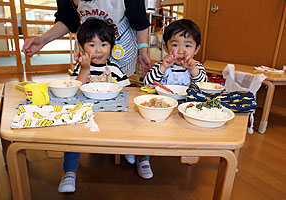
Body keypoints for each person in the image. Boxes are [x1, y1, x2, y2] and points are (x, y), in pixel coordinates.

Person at [58, 19, 151, 193]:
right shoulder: (80, 68)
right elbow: (73, 90)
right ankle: (69, 172)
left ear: (111, 47)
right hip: (87, 116)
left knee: (139, 121)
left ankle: (139, 155)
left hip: (112, 117)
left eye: (104, 44)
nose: (99, 50)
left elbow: (126, 91)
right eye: (92, 44)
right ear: (81, 47)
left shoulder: (114, 69)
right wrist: (85, 69)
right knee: (72, 137)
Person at [22, 0, 152, 77]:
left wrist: (143, 51)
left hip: (121, 45)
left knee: (117, 81)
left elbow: (139, 21)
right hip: (88, 42)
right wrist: (42, 40)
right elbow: (68, 20)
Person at [144, 19, 207, 85]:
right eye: (175, 45)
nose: (180, 51)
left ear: (196, 49)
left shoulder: (196, 66)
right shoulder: (161, 65)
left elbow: (204, 85)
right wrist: (163, 67)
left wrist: (193, 69)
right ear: (166, 47)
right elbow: (147, 83)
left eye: (187, 45)